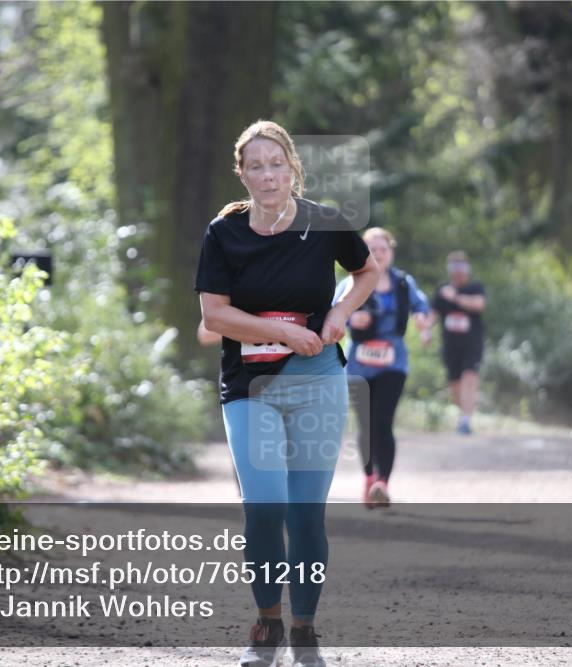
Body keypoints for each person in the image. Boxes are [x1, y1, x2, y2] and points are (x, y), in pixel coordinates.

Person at [195, 120, 378, 667]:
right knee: (263, 507)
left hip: (317, 378)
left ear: (292, 167)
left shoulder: (325, 222)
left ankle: (304, 630)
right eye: (256, 166)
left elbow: (366, 271)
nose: (268, 175)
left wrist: (340, 313)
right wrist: (280, 331)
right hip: (250, 385)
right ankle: (267, 623)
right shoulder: (223, 234)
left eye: (276, 164)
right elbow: (214, 315)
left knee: (305, 515)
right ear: (242, 174)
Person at [334, 228, 431, 508]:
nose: (378, 254)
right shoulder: (352, 282)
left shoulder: (403, 283)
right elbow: (332, 312)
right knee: (366, 424)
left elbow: (422, 307)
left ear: (391, 252)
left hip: (393, 362)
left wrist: (423, 322)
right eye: (372, 250)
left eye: (383, 250)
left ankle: (383, 483)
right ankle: (368, 478)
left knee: (383, 422)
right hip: (358, 364)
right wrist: (351, 319)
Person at [424, 251, 486, 435]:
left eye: (462, 268)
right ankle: (463, 413)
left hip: (472, 344)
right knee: (455, 383)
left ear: (467, 270)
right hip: (450, 346)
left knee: (470, 377)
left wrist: (455, 297)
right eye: (454, 268)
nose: (458, 273)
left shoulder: (475, 287)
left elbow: (479, 304)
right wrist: (426, 331)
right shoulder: (442, 290)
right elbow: (432, 315)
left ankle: (466, 420)